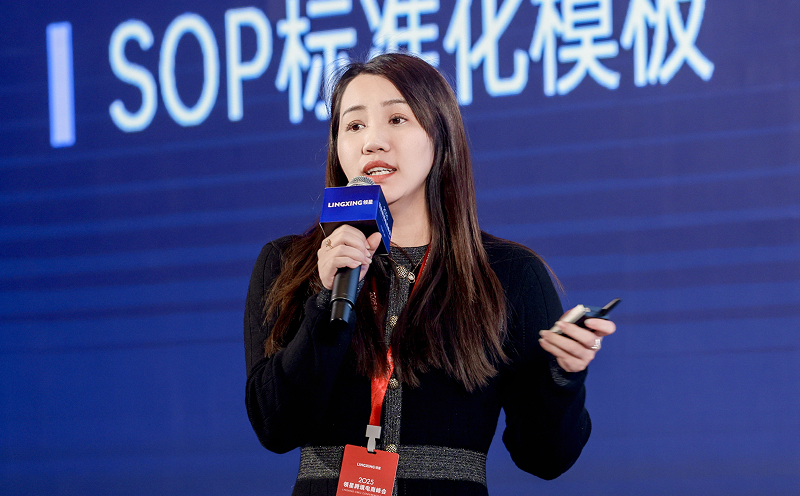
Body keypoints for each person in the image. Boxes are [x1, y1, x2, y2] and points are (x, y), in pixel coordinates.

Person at [244, 52, 616, 495]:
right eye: (354, 125)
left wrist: (562, 378)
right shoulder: (290, 264)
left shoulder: (509, 273)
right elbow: (276, 427)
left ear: (441, 135)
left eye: (397, 119)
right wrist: (326, 302)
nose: (373, 142)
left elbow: (544, 458)